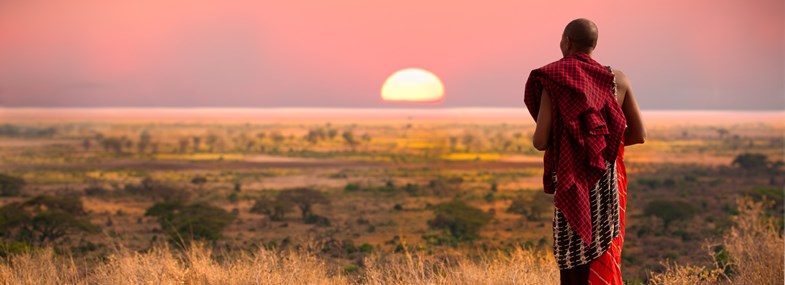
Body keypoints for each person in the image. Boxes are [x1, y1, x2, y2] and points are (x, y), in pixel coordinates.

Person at [523, 18, 646, 285]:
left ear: (567, 42)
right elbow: (638, 134)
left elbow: (540, 140)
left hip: (571, 183)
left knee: (572, 263)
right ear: (594, 45)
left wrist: (572, 139)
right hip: (605, 183)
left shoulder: (555, 80)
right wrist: (600, 142)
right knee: (600, 252)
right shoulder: (617, 79)